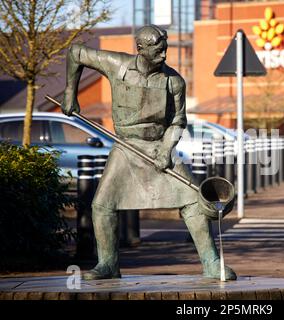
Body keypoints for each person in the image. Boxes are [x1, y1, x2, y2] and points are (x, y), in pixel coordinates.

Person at [61, 25, 236, 280]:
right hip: (126, 146)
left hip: (158, 146)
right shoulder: (116, 64)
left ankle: (211, 263)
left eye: (165, 50)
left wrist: (166, 149)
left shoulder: (173, 81)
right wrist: (70, 92)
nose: (164, 56)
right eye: (158, 51)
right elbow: (75, 52)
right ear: (140, 49)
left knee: (193, 200)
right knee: (102, 204)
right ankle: (108, 263)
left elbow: (178, 121)